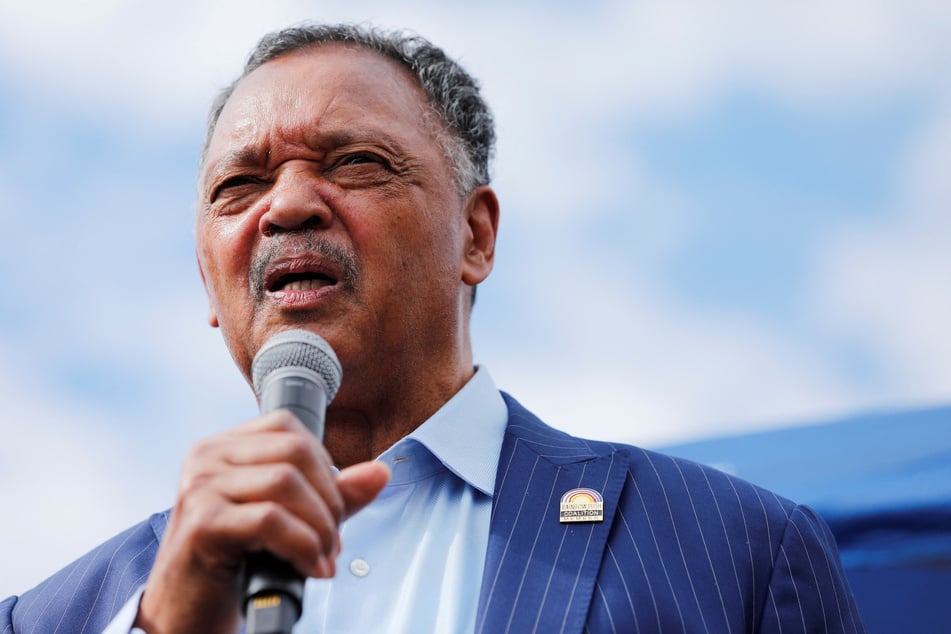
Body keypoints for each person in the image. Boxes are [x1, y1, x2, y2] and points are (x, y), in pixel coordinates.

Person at [0, 23, 865, 634]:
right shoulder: (49, 619)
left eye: (355, 162)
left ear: (475, 237)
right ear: (208, 278)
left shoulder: (735, 552)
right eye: (240, 186)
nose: (288, 206)